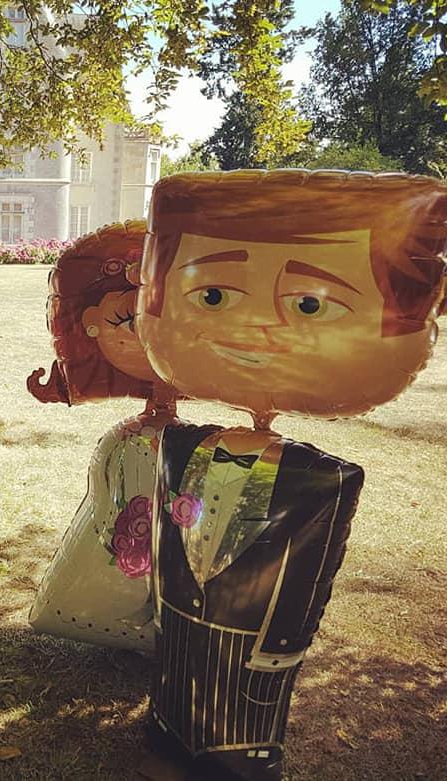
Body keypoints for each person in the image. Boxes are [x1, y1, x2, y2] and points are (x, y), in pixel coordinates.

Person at [137, 170, 447, 780]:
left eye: (309, 304)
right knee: (180, 668)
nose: (258, 329)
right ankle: (169, 729)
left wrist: (279, 646)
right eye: (214, 295)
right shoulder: (180, 450)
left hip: (251, 645)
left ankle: (234, 757)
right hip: (180, 621)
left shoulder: (323, 483)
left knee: (241, 706)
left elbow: (306, 574)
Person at [27, 221, 179, 652]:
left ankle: (156, 607)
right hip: (137, 460)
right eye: (126, 320)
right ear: (91, 325)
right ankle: (113, 605)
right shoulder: (124, 443)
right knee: (122, 521)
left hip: (164, 452)